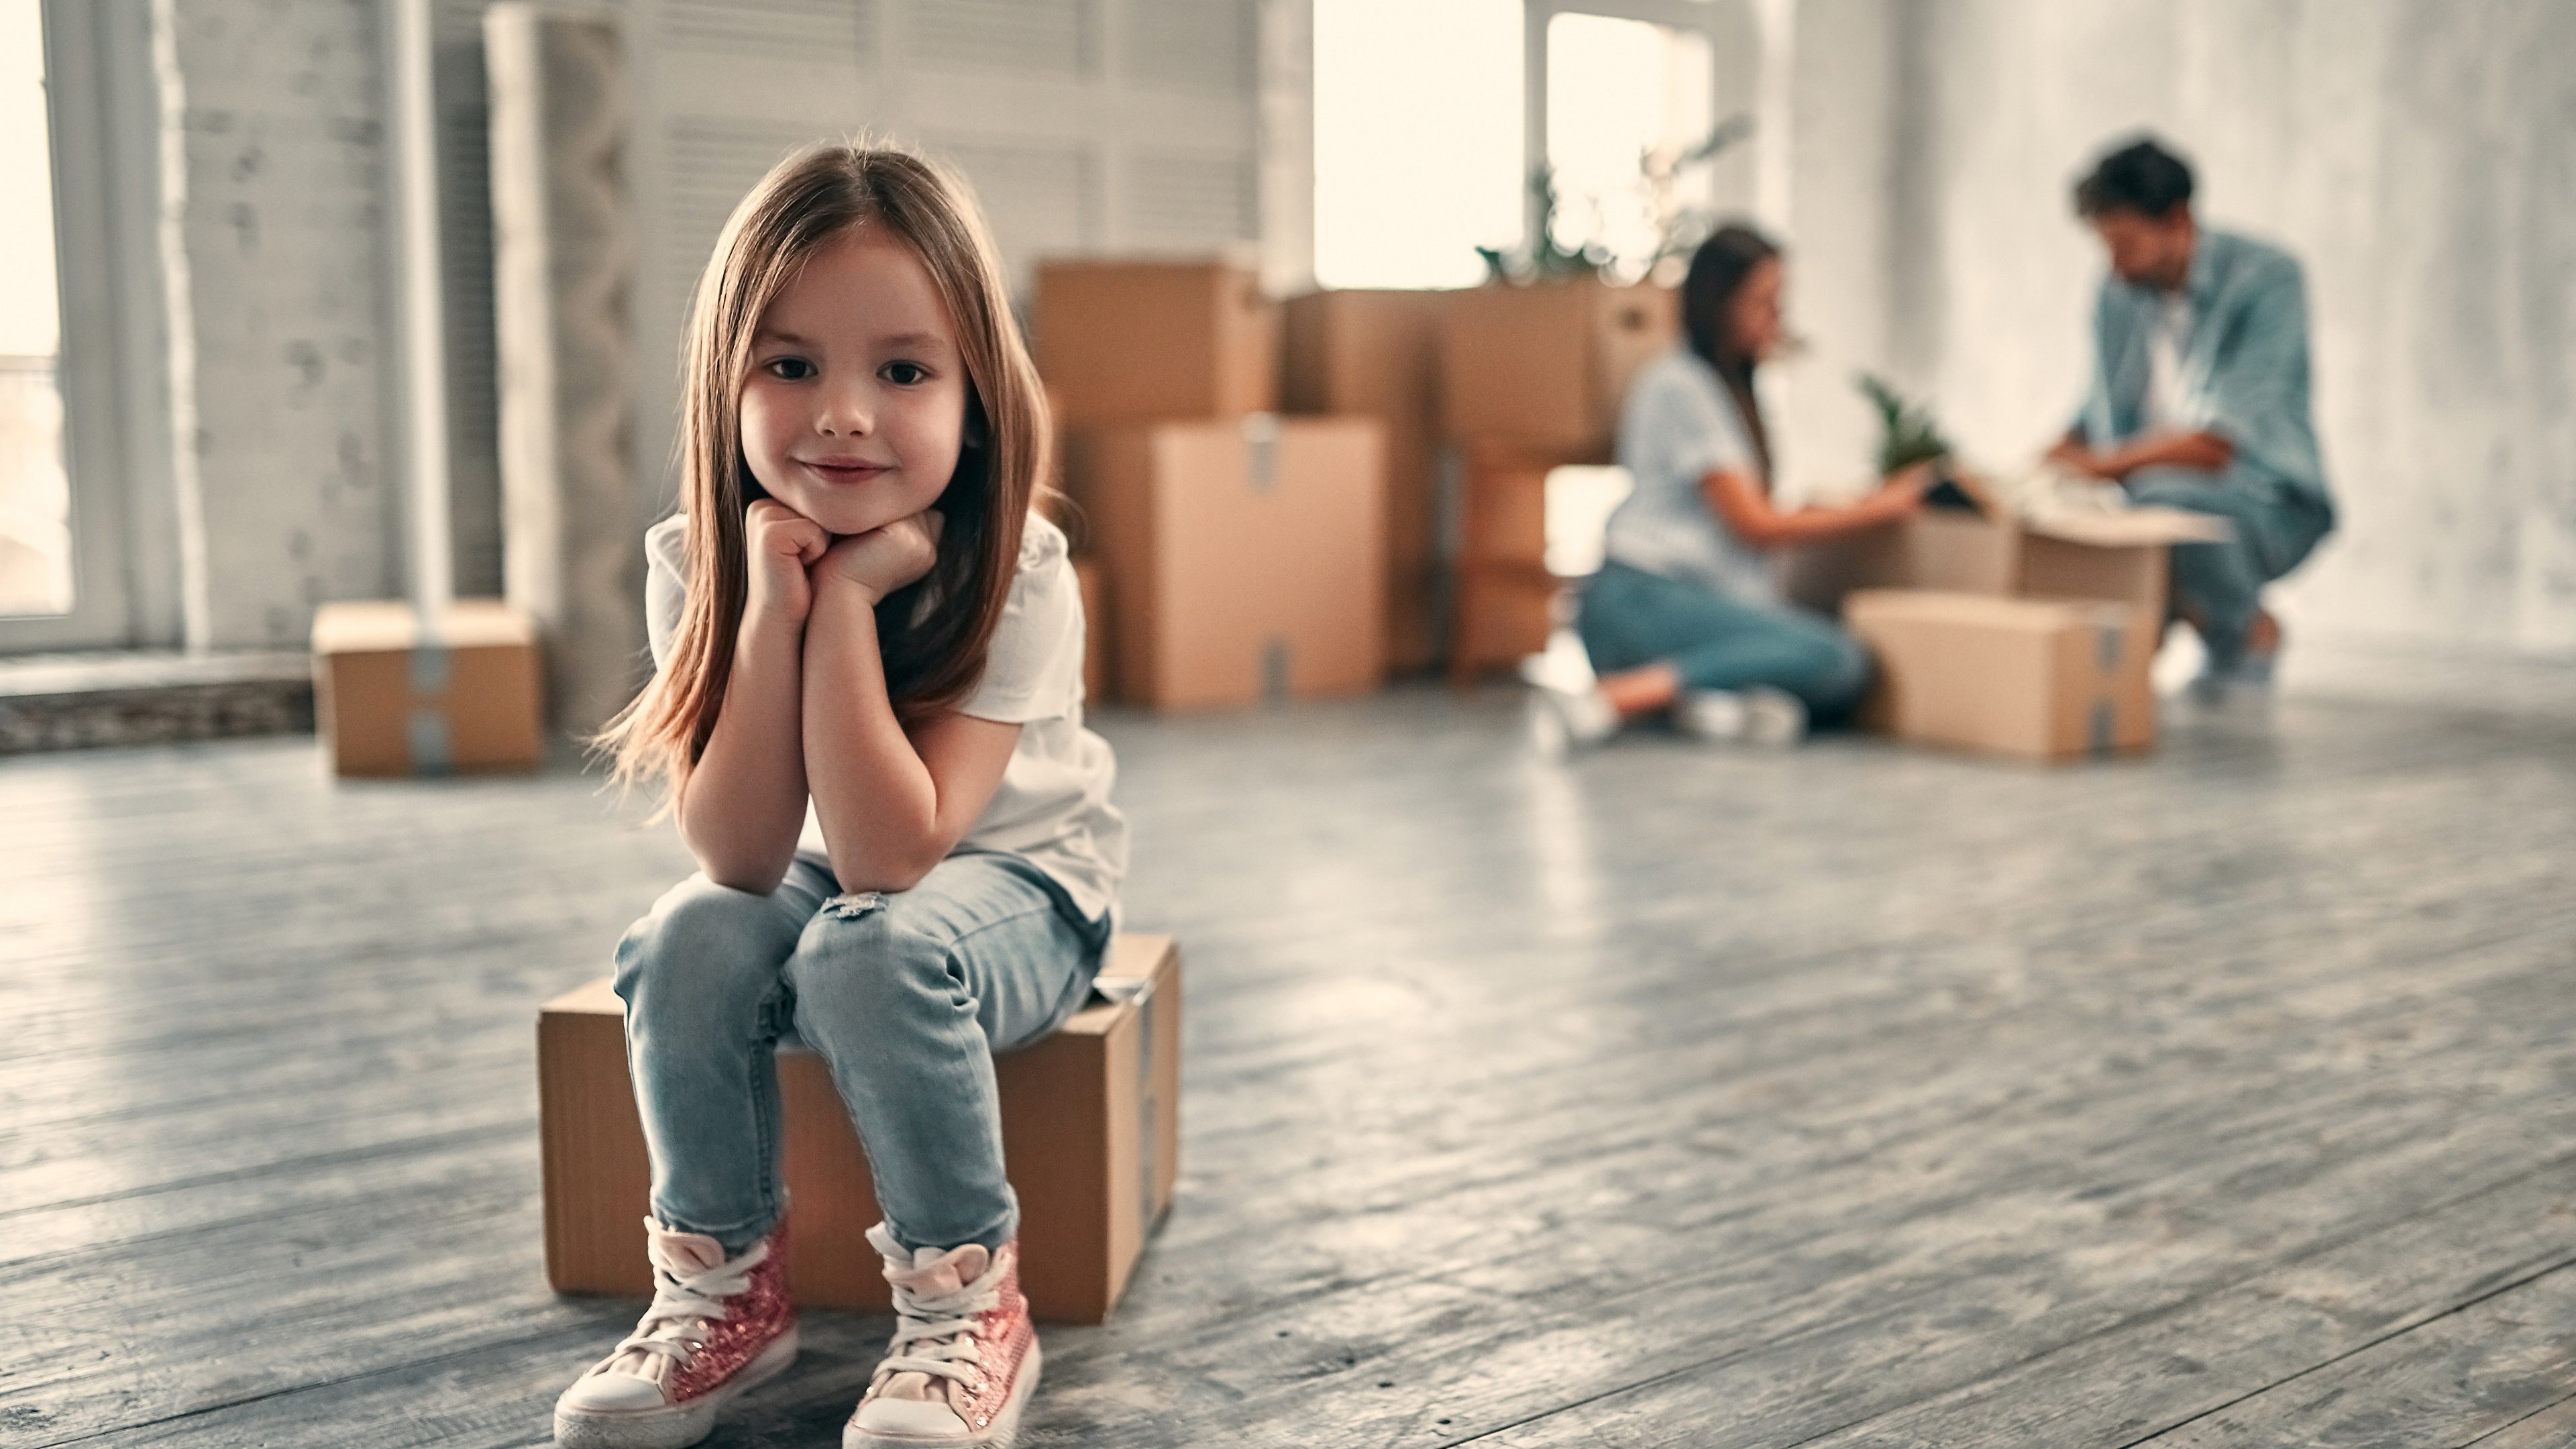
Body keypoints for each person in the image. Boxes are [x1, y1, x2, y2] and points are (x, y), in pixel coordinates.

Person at [558, 143, 1124, 1449]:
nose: (844, 414)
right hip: (839, 892)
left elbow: (890, 853)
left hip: (1022, 887)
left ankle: (969, 1299)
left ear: (977, 398)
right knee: (685, 933)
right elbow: (743, 855)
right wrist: (771, 607)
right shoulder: (701, 560)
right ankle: (725, 1286)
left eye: (904, 371)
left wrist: (856, 601)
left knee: (876, 952)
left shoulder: (1022, 568)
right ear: (727, 383)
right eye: (792, 364)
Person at [1531, 223, 1930, 752]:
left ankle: (1707, 707)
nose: (1776, 319)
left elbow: (1742, 510)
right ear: (1719, 303)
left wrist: (1838, 505)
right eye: (1763, 302)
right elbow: (1754, 525)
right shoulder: (1684, 386)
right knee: (1839, 660)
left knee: (1808, 671)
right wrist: (1884, 508)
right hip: (1638, 601)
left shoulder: (1724, 389)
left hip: (1669, 604)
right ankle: (1613, 698)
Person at [2048, 136, 2336, 698]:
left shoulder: (2267, 279)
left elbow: (2219, 443)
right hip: (2143, 488)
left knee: (2161, 496)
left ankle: (2245, 633)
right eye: (2105, 246)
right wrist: (2040, 468)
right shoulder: (2118, 293)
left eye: (2126, 244)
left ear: (2177, 219)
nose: (2114, 263)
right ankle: (2137, 650)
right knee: (2081, 516)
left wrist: (2103, 468)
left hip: (2266, 502)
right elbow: (2094, 409)